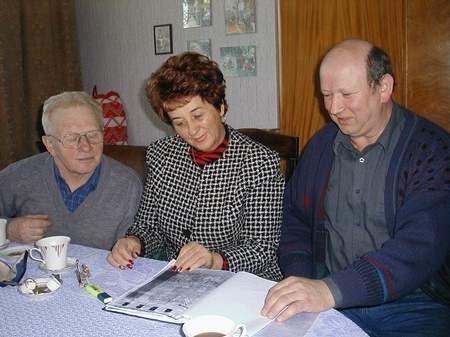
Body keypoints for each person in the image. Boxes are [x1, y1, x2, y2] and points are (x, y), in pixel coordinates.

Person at [261, 39, 450, 336]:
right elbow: (295, 219)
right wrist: (303, 281)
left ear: (384, 87)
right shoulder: (321, 147)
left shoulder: (431, 149)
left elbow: (419, 248)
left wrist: (330, 290)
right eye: (326, 95)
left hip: (414, 303)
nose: (334, 108)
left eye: (347, 94)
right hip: (330, 296)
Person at [107, 52, 284, 280]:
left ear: (220, 107)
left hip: (242, 282)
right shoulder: (160, 155)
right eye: (179, 123)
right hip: (180, 279)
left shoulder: (259, 163)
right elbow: (149, 226)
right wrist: (134, 242)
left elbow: (262, 248)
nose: (191, 130)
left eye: (198, 115)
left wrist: (214, 260)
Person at [0, 91, 142, 250]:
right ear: (50, 145)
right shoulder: (21, 175)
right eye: (72, 138)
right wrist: (8, 229)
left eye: (93, 135)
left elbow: (137, 243)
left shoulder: (127, 185)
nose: (86, 146)